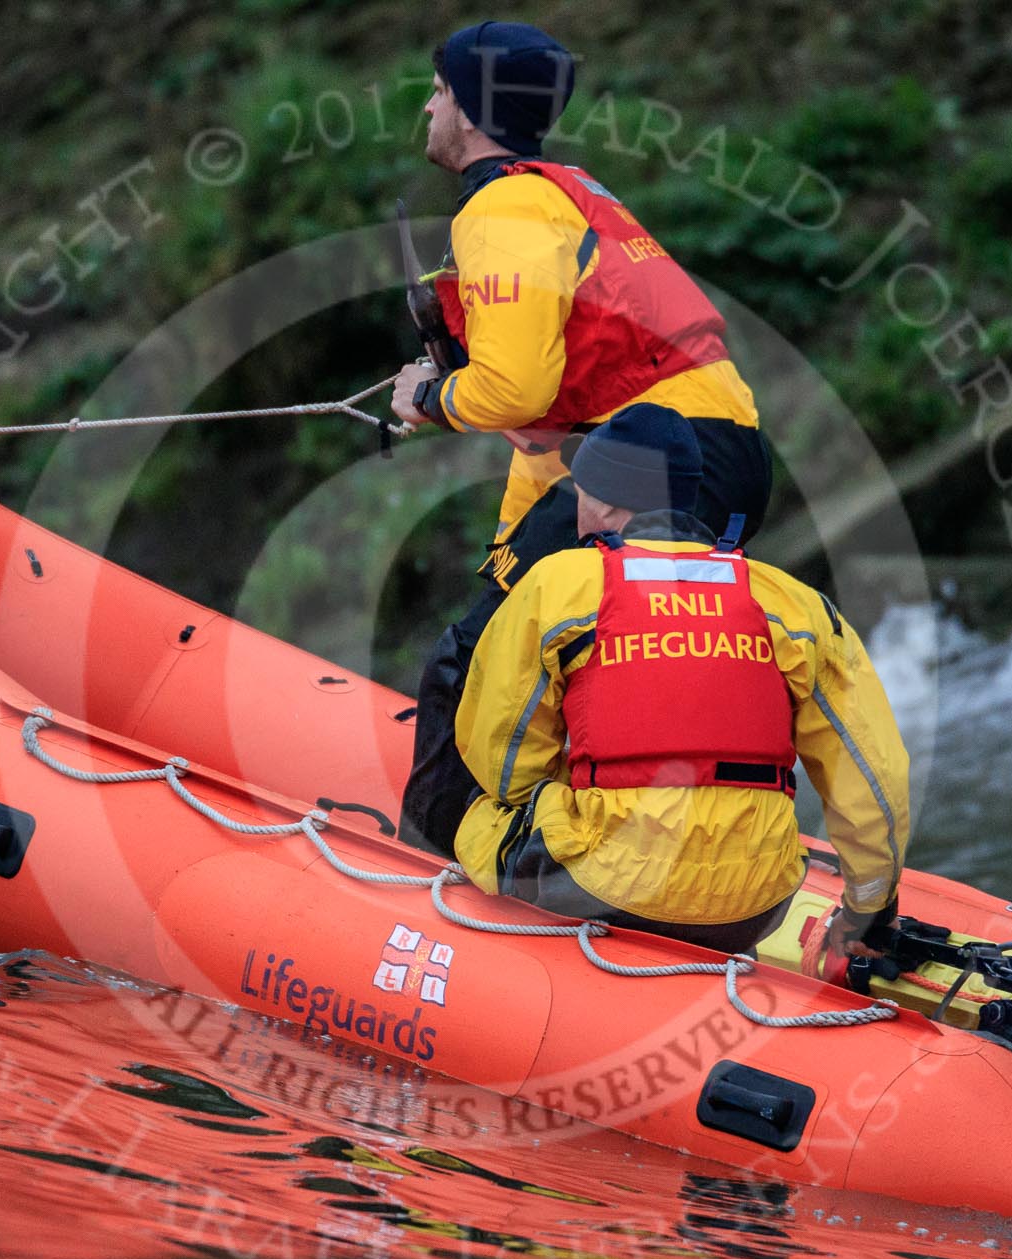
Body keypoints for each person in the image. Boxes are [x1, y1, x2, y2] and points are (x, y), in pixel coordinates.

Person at [389, 20, 781, 858]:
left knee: (472, 662)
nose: (428, 106)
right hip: (721, 452)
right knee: (624, 660)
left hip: (661, 457)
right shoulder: (567, 190)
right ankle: (640, 854)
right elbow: (548, 435)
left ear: (470, 110)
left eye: (439, 91)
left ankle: (426, 871)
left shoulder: (501, 209)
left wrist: (430, 396)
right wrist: (504, 558)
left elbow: (514, 391)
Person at [440, 404, 910, 956]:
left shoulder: (558, 584)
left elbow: (502, 758)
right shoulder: (792, 602)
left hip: (604, 885)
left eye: (582, 493)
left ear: (611, 501)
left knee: (485, 811)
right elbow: (874, 777)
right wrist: (868, 912)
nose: (577, 512)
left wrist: (577, 788)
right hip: (755, 903)